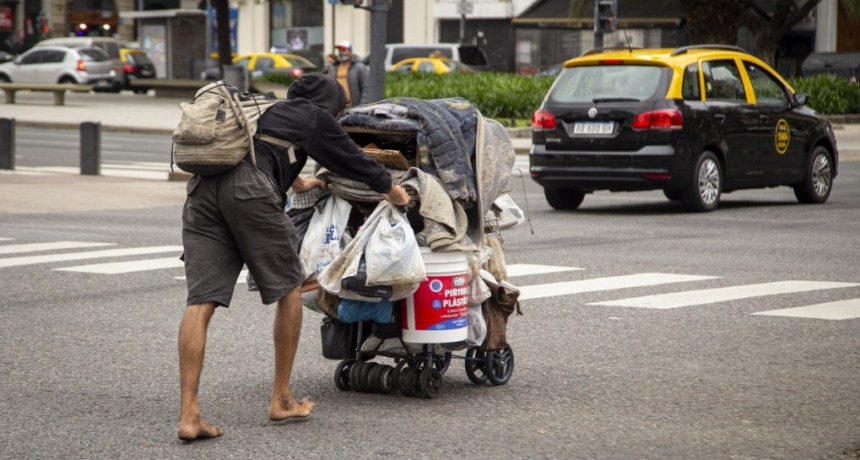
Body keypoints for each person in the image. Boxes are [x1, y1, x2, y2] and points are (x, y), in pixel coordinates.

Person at [176, 74, 410, 442]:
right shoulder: (315, 116)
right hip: (249, 193)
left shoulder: (267, 110)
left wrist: (300, 183)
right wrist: (395, 193)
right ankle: (282, 399)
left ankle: (189, 415)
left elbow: (263, 151)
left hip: (202, 193)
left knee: (200, 301)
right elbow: (355, 162)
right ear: (331, 105)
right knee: (290, 289)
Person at [327, 40, 369, 107]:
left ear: (350, 51)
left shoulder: (359, 67)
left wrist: (361, 106)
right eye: (339, 50)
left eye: (343, 50)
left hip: (354, 107)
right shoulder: (333, 67)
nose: (341, 53)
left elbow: (366, 89)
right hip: (337, 107)